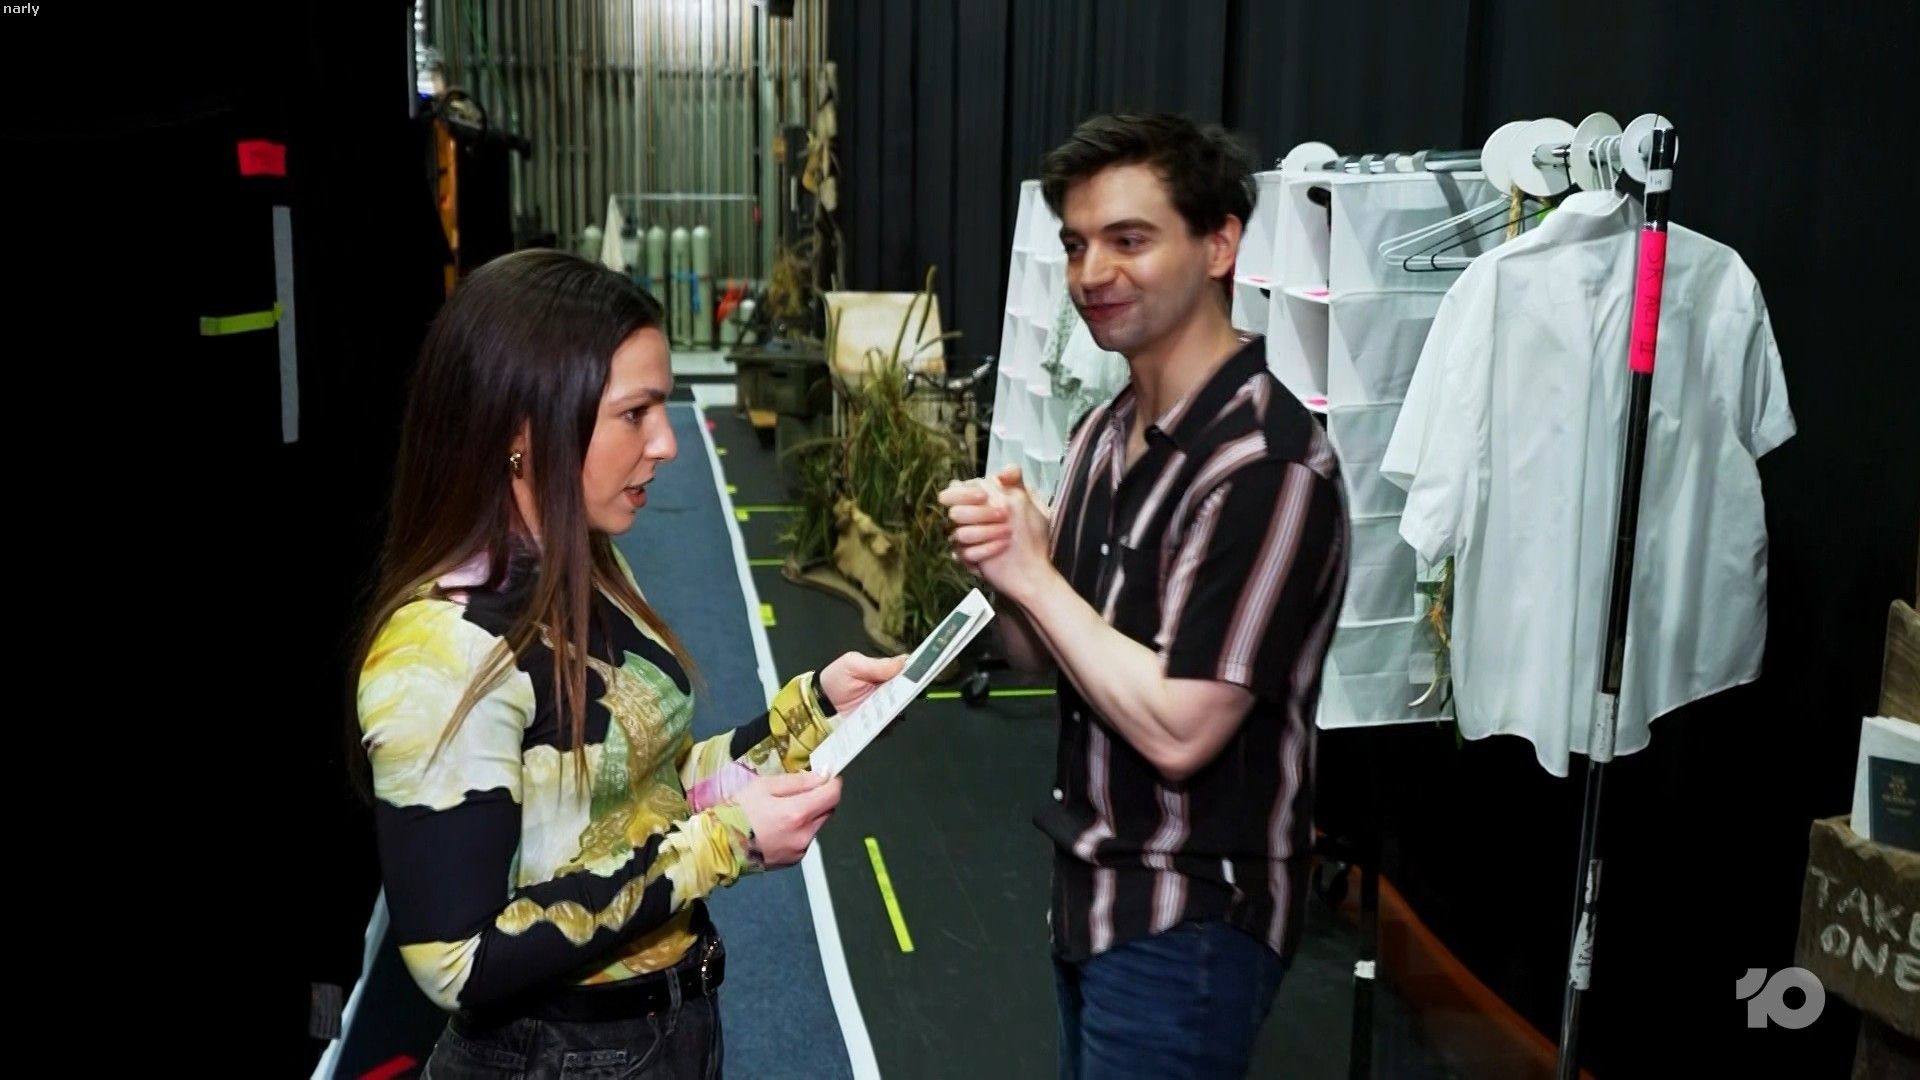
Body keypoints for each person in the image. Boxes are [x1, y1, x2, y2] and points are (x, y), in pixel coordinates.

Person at [350, 249, 904, 1078]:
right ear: (521, 431)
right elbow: (457, 959)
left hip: (662, 1032)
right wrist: (723, 844)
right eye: (635, 414)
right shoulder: (439, 652)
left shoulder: (589, 564)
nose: (667, 443)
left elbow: (650, 791)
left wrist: (810, 713)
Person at [942, 113, 1351, 1078]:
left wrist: (1035, 576)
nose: (1093, 273)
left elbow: (1181, 728)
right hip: (1092, 895)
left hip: (1192, 917)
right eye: (1078, 245)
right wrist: (1007, 567)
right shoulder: (1103, 431)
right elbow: (1043, 651)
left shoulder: (1267, 465)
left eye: (1129, 240)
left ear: (1220, 244)